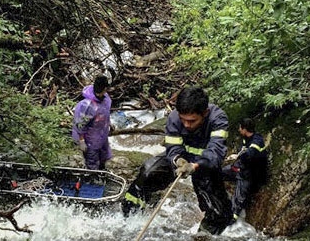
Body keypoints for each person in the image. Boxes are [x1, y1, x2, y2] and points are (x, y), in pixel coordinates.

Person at [121, 86, 233, 235]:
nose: (186, 125)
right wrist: (178, 160)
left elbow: (216, 152)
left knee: (218, 213)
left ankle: (203, 236)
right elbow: (172, 147)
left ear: (204, 114)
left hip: (204, 164)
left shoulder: (218, 119)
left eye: (192, 121)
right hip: (182, 159)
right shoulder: (174, 117)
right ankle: (128, 220)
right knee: (147, 173)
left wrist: (194, 166)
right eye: (183, 120)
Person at [222, 118, 268, 223]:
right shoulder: (245, 138)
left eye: (240, 128)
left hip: (251, 173)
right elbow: (243, 152)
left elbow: (250, 154)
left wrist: (237, 156)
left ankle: (232, 219)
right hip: (241, 167)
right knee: (218, 173)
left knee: (239, 198)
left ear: (244, 129)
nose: (239, 130)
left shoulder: (257, 141)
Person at [72, 75, 112, 170]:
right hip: (90, 139)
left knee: (104, 156)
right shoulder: (87, 105)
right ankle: (93, 178)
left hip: (101, 134)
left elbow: (105, 112)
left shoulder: (106, 99)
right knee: (92, 161)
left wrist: (109, 124)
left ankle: (102, 171)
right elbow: (80, 124)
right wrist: (82, 141)